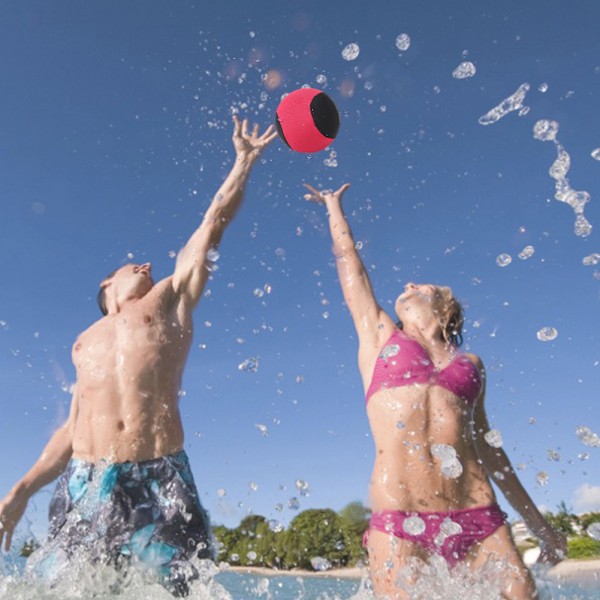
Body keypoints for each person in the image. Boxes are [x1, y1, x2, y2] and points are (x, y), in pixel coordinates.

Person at [0, 116, 277, 596]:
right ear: (107, 285)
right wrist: (20, 490)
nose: (146, 264)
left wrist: (243, 162)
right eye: (133, 264)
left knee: (181, 590)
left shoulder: (170, 299)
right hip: (87, 480)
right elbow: (71, 428)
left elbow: (212, 223)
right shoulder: (84, 340)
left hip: (159, 473)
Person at [303, 183, 567, 600]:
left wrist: (538, 523)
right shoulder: (381, 339)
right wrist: (334, 208)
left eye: (423, 286)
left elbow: (490, 449)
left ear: (445, 308)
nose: (409, 283)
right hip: (400, 521)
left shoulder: (471, 365)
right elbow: (350, 268)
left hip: (480, 517)